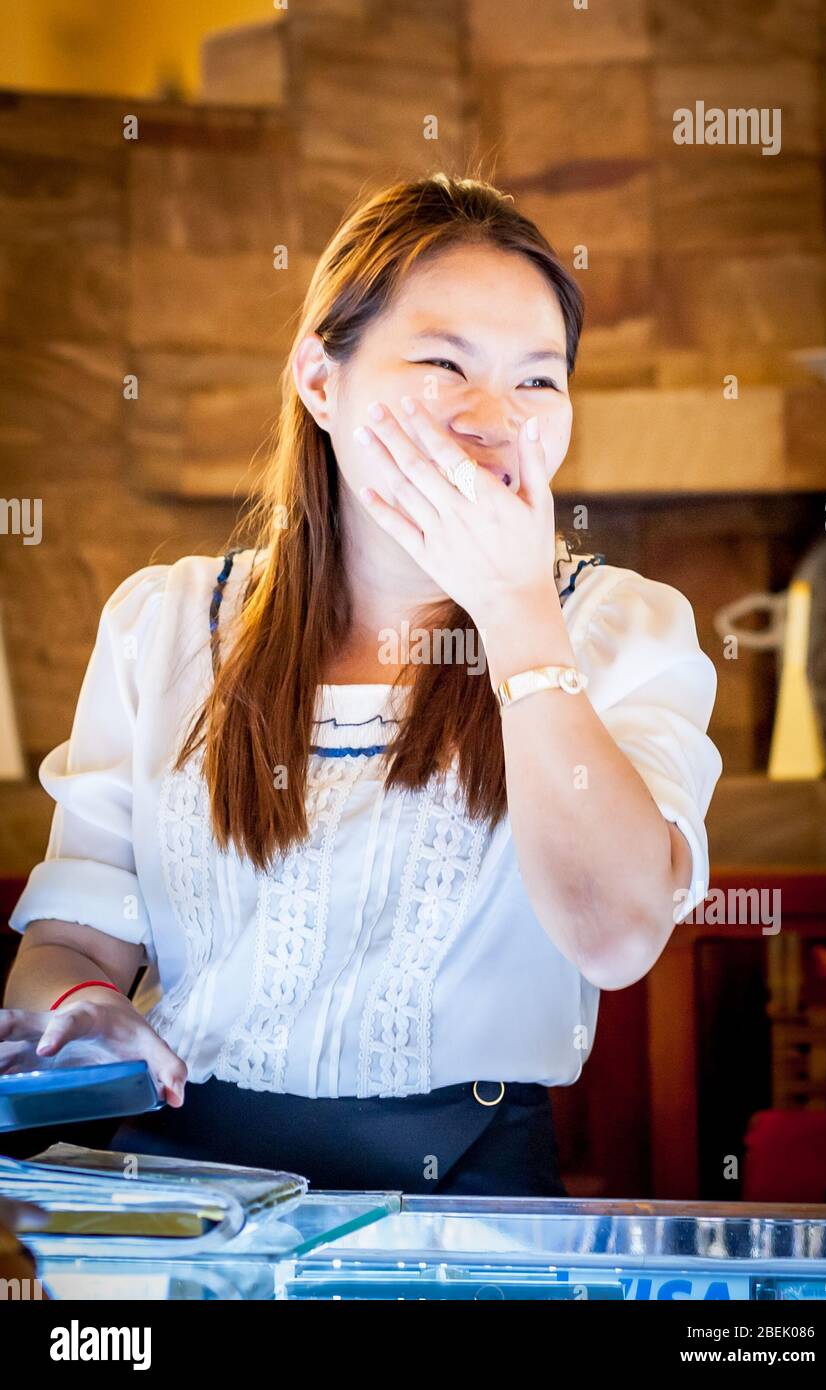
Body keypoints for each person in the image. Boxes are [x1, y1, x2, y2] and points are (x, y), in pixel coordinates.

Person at [1, 173, 722, 1196]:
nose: (493, 417)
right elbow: (72, 938)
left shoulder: (620, 628)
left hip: (470, 1195)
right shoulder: (161, 624)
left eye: (538, 379)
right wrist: (79, 1001)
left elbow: (614, 936)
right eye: (442, 362)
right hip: (180, 1183)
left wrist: (517, 610)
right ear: (319, 379)